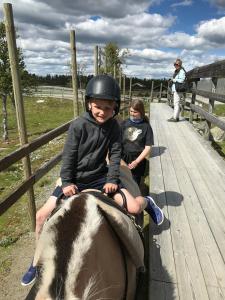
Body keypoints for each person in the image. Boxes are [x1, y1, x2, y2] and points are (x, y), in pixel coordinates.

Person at [21, 75, 164, 286]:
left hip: (99, 178)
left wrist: (113, 179)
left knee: (133, 207)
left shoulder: (114, 127)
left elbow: (116, 155)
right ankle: (36, 262)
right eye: (98, 106)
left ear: (114, 107)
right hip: (74, 179)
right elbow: (69, 156)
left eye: (108, 108)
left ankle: (147, 203)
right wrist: (67, 181)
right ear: (89, 103)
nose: (102, 112)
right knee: (42, 216)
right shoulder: (78, 126)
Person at [121, 99, 153, 186]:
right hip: (123, 158)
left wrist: (136, 162)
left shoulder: (146, 127)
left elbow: (148, 147)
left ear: (141, 112)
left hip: (137, 160)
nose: (132, 113)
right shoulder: (124, 123)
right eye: (131, 111)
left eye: (135, 112)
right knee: (122, 182)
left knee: (134, 184)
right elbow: (118, 141)